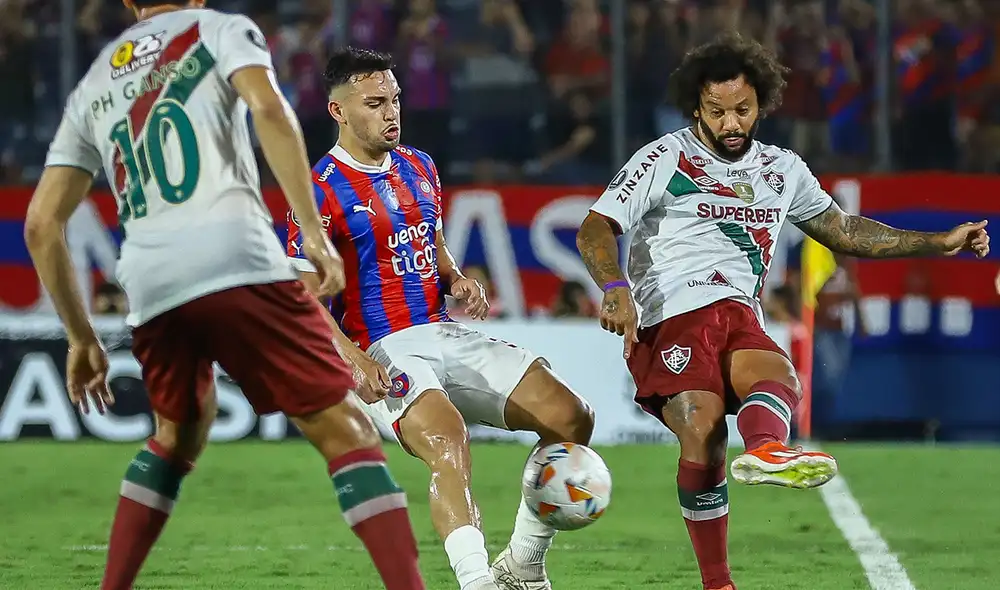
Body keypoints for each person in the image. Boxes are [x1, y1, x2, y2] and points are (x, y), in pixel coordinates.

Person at [23, 3, 426, 590]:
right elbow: (269, 109)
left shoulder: (95, 82)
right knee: (347, 430)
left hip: (151, 282)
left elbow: (41, 225)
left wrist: (81, 338)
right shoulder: (218, 30)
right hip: (235, 258)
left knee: (176, 435)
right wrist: (313, 233)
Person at [576, 32, 990, 590]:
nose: (730, 123)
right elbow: (596, 227)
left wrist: (937, 241)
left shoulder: (782, 169)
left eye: (742, 110)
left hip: (739, 313)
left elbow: (844, 230)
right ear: (696, 107)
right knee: (702, 429)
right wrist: (614, 286)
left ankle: (767, 450)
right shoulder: (664, 157)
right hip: (674, 313)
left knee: (780, 376)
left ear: (761, 104)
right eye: (716, 111)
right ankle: (718, 582)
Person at [286, 47, 595, 590]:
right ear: (338, 111)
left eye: (395, 99)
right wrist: (351, 359)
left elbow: (430, 244)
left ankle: (523, 563)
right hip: (381, 348)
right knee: (449, 440)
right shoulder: (317, 191)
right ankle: (477, 583)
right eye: (375, 103)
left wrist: (455, 278)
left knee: (572, 417)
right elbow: (302, 296)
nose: (391, 113)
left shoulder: (418, 165)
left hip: (442, 331)